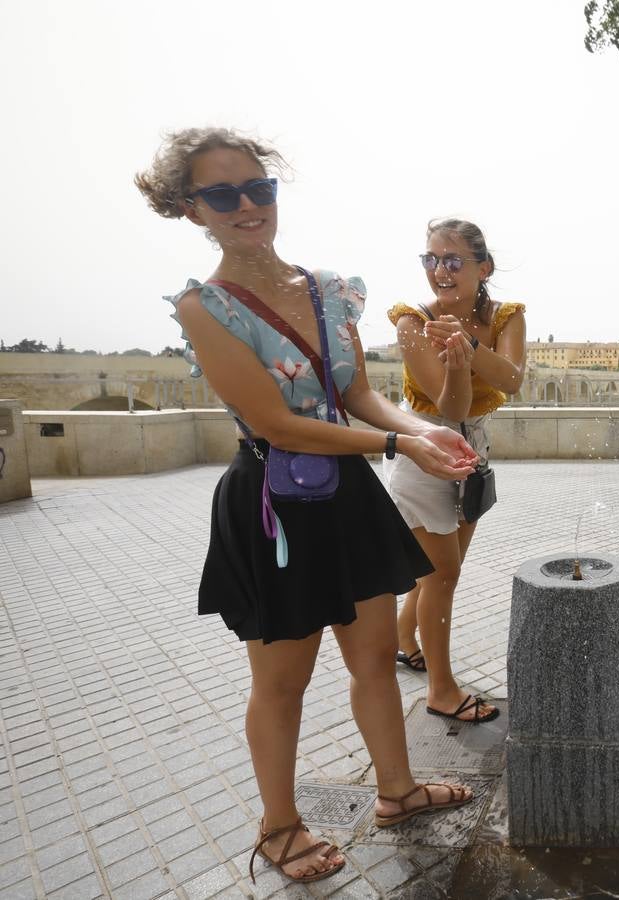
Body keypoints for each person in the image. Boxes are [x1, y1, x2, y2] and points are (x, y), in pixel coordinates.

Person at [138, 128, 481, 884]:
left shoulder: (329, 289)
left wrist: (426, 431)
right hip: (272, 503)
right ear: (192, 209)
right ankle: (279, 826)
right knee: (282, 681)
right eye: (222, 194)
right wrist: (398, 451)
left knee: (372, 663)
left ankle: (397, 792)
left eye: (259, 188)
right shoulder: (206, 307)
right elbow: (275, 422)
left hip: (346, 496)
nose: (247, 205)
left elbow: (357, 396)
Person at [384, 218, 526, 723]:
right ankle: (441, 690)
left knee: (444, 568)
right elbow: (446, 403)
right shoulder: (411, 322)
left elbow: (511, 379)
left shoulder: (505, 317)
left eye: (452, 260)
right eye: (431, 259)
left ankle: (405, 637)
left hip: (473, 444)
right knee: (442, 572)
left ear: (482, 267)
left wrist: (469, 350)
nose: (439, 271)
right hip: (425, 444)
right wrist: (456, 364)